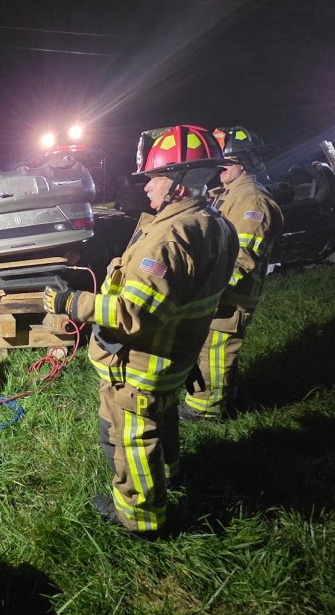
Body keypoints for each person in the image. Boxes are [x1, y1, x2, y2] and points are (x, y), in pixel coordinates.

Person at [43, 125, 238, 539]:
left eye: (156, 178)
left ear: (180, 185)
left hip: (142, 363)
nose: (147, 187)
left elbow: (132, 314)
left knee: (132, 437)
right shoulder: (215, 222)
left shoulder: (169, 238)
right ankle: (166, 479)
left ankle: (140, 517)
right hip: (178, 357)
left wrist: (71, 303)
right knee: (163, 421)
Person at [181, 127, 284, 420]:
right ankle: (228, 396)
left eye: (227, 161)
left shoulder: (252, 201)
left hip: (230, 293)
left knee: (214, 350)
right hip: (216, 288)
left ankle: (205, 411)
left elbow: (242, 257)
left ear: (245, 163)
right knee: (213, 347)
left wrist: (208, 289)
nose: (220, 167)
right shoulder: (227, 195)